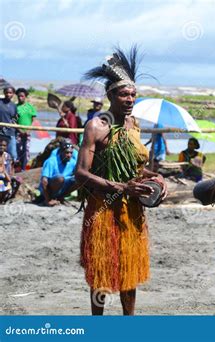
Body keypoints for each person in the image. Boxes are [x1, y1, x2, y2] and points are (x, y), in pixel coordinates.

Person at [76, 46, 167, 316]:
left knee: (130, 269)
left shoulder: (133, 124)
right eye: (124, 94)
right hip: (103, 209)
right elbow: (81, 174)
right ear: (110, 95)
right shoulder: (96, 126)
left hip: (132, 210)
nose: (130, 99)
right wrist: (120, 187)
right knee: (101, 272)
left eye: (133, 94)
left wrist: (156, 178)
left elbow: (136, 168)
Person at [39, 139, 78, 206]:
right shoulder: (51, 161)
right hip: (49, 189)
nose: (69, 155)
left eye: (71, 153)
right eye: (67, 152)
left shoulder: (72, 162)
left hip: (62, 186)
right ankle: (49, 199)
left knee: (80, 179)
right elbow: (44, 181)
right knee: (60, 178)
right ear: (61, 152)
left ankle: (60, 197)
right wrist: (48, 200)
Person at [15, 88, 37, 171]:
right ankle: (17, 168)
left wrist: (29, 130)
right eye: (18, 96)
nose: (20, 98)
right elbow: (13, 121)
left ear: (25, 97)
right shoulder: (15, 107)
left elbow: (34, 120)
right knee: (18, 150)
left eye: (22, 96)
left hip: (28, 133)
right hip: (18, 133)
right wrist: (19, 129)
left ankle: (24, 168)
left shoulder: (30, 107)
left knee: (26, 150)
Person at [0, 87, 18, 163]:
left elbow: (15, 117)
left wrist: (14, 123)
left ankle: (11, 173)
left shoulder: (14, 106)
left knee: (13, 154)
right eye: (7, 92)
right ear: (4, 93)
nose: (8, 94)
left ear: (13, 94)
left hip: (10, 132)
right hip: (0, 132)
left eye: (10, 93)